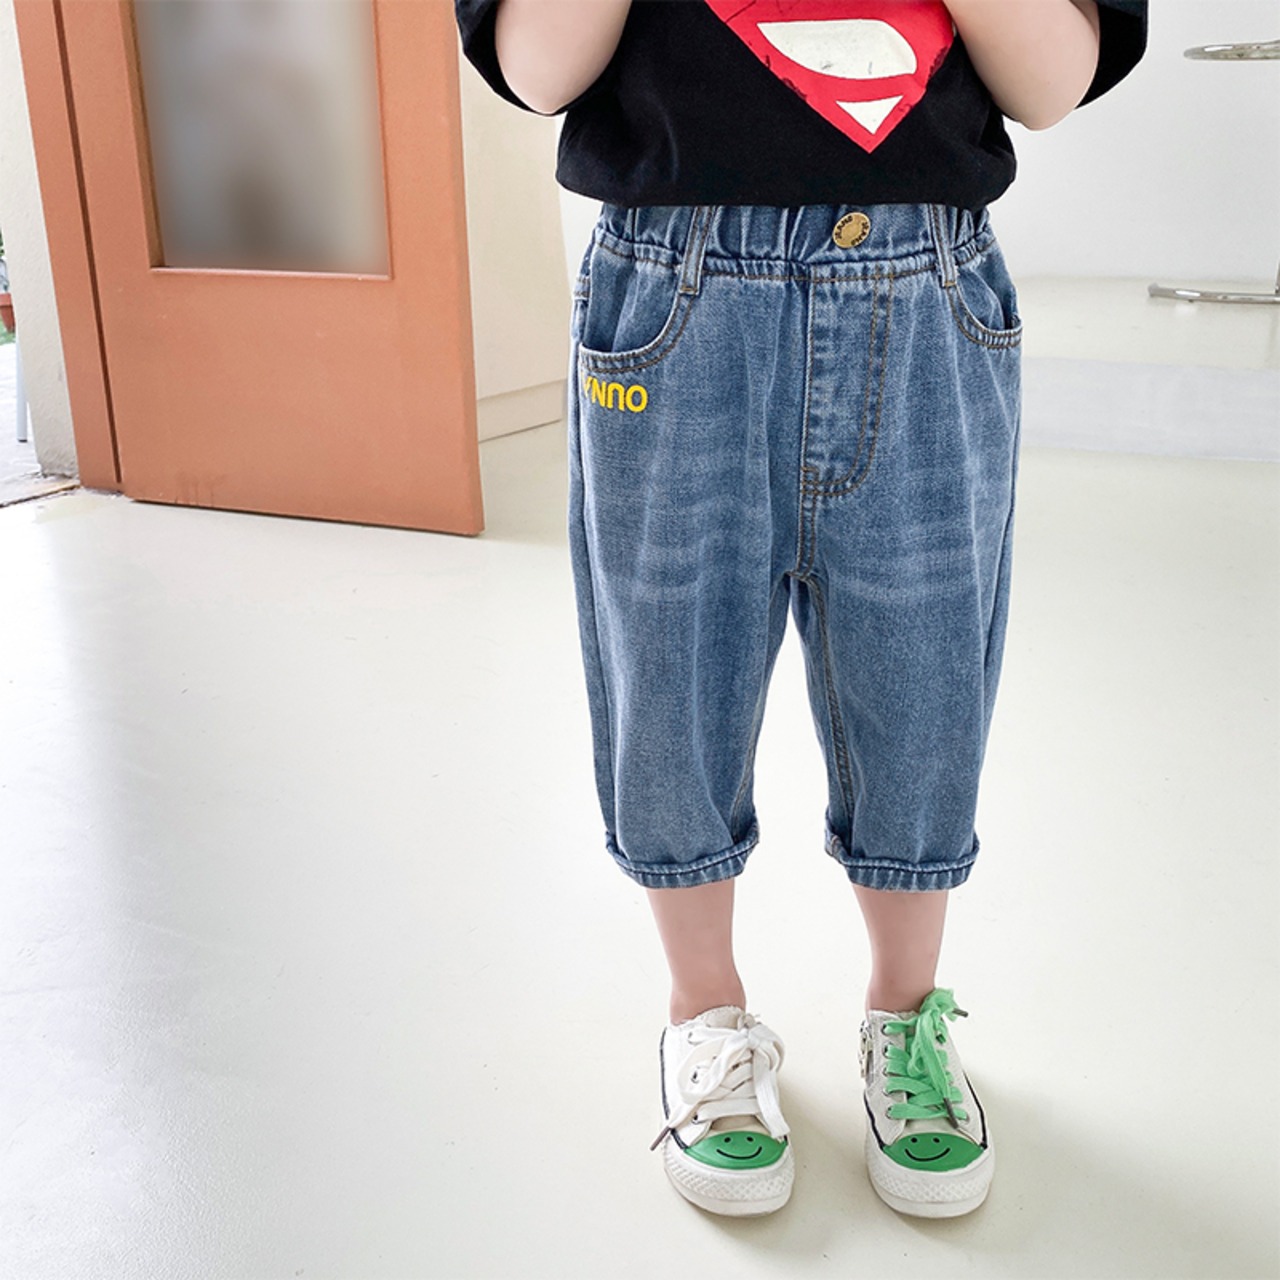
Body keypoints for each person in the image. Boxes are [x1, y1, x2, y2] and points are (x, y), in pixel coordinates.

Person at [455, 0, 1147, 1220]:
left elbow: (1049, 83)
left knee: (924, 675)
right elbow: (535, 67)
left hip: (921, 282)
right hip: (674, 286)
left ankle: (904, 1016)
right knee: (666, 668)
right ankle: (704, 1013)